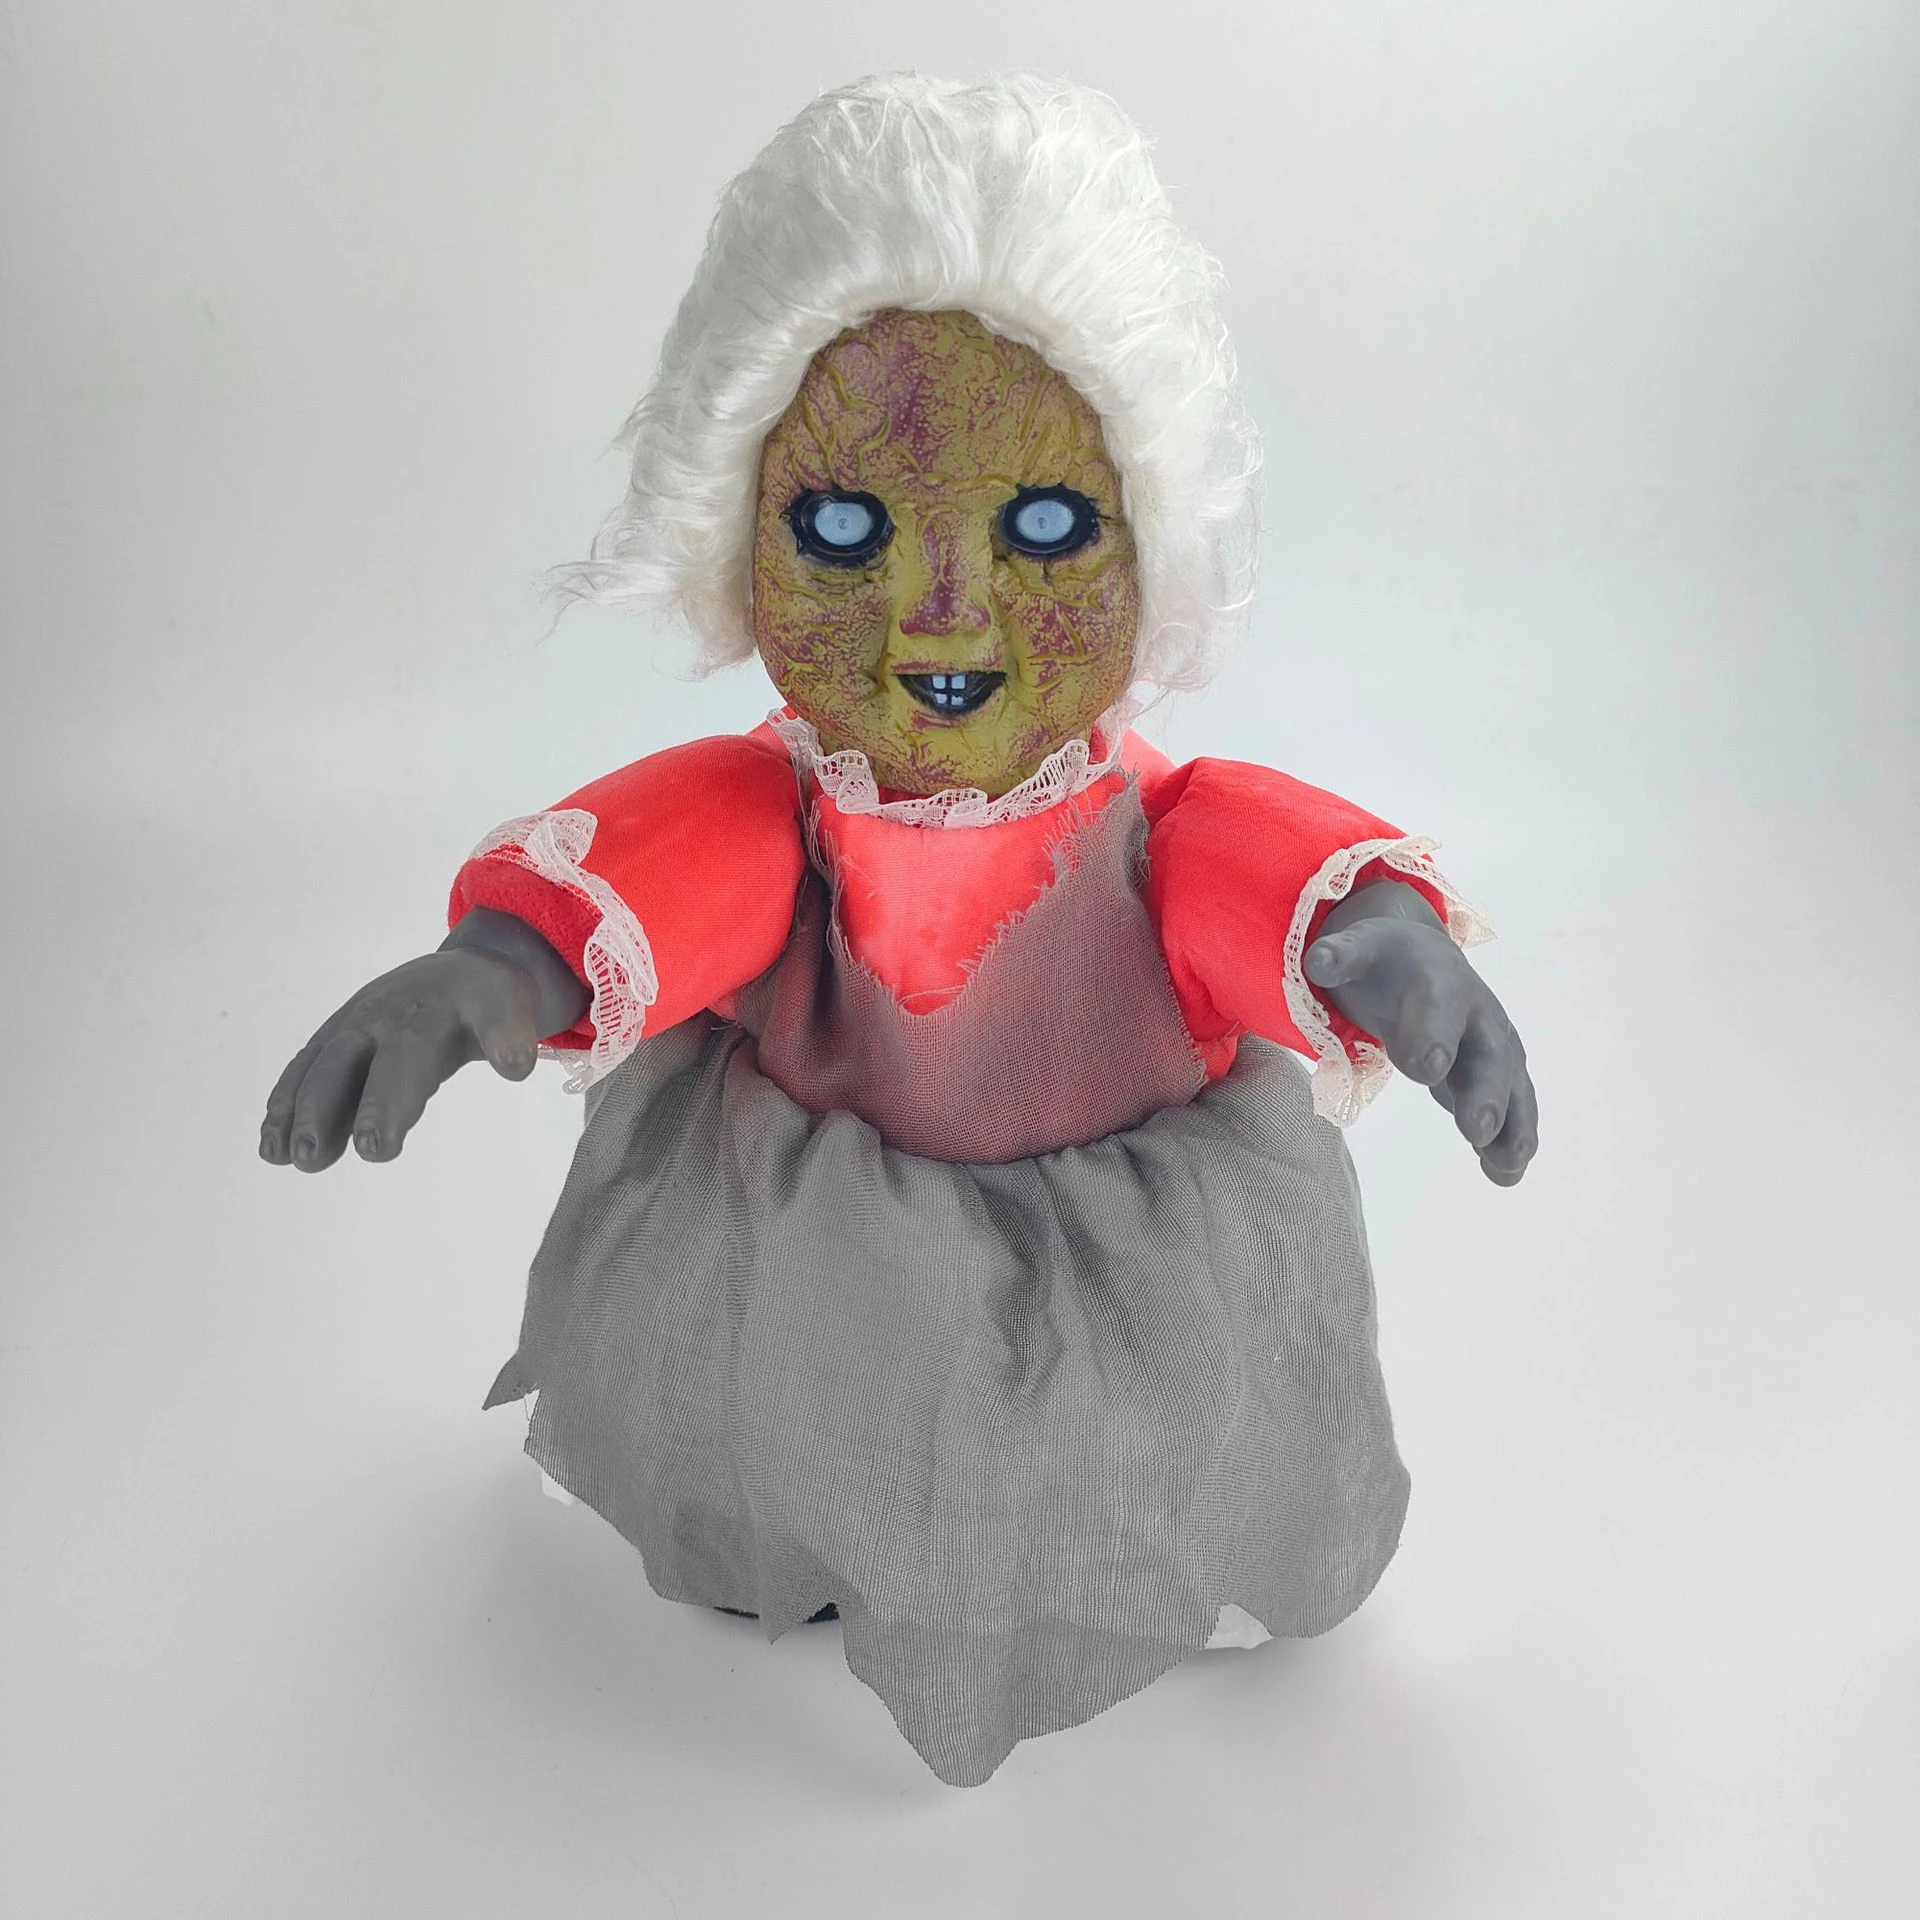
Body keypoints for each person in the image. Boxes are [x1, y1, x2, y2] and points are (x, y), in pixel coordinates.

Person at [260, 73, 1537, 1788]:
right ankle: (793, 1523)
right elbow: (677, 866)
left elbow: (1247, 864)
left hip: (1125, 1254)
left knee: (1127, 1436)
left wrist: (1373, 937)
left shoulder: (1154, 824)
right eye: (844, 528)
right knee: (804, 1410)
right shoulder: (777, 813)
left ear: (1155, 550)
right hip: (811, 1244)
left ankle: (1129, 1546)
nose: (945, 614)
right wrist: (500, 968)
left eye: (1045, 527)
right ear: (740, 540)